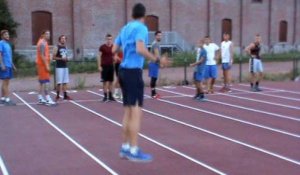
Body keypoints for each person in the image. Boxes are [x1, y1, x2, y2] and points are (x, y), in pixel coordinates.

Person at [112, 3, 170, 162]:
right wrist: (157, 59)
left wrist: (121, 54)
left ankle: (125, 148)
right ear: (144, 16)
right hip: (132, 72)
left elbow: (113, 50)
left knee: (128, 112)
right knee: (136, 112)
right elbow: (140, 49)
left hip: (123, 71)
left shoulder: (125, 28)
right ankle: (134, 149)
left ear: (132, 14)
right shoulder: (142, 28)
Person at [36, 30, 56, 106]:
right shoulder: (42, 43)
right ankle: (48, 98)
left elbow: (45, 54)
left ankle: (40, 98)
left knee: (41, 82)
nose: (48, 35)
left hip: (42, 64)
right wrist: (47, 65)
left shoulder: (43, 42)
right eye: (47, 34)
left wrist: (49, 57)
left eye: (49, 34)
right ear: (43, 35)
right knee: (46, 81)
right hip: (43, 65)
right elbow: (42, 55)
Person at [52, 35, 72, 101]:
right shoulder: (56, 47)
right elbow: (53, 57)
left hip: (65, 66)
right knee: (59, 82)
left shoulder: (65, 47)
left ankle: (65, 95)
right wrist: (61, 59)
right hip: (59, 67)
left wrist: (67, 59)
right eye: (62, 38)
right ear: (59, 39)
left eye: (64, 39)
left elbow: (65, 56)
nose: (63, 40)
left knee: (65, 82)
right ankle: (57, 96)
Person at [0, 30, 17, 106]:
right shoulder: (1, 43)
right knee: (5, 83)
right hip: (5, 65)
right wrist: (2, 64)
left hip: (9, 65)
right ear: (2, 36)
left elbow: (9, 56)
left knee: (6, 82)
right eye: (6, 34)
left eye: (8, 34)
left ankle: (3, 98)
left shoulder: (8, 44)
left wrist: (13, 65)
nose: (7, 36)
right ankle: (7, 99)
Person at [98, 34, 115, 102]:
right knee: (104, 82)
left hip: (111, 66)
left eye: (110, 39)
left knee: (111, 81)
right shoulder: (102, 47)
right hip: (104, 66)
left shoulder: (113, 46)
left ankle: (110, 96)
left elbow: (114, 56)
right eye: (108, 39)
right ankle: (105, 96)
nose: (109, 40)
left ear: (112, 39)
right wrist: (99, 66)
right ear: (106, 39)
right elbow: (99, 56)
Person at [148, 30, 162, 99]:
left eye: (160, 35)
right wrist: (161, 62)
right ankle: (153, 94)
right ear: (155, 36)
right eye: (158, 35)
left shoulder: (155, 43)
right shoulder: (155, 44)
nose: (160, 37)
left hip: (154, 63)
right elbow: (157, 56)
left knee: (154, 78)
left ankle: (153, 92)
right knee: (154, 78)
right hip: (153, 63)